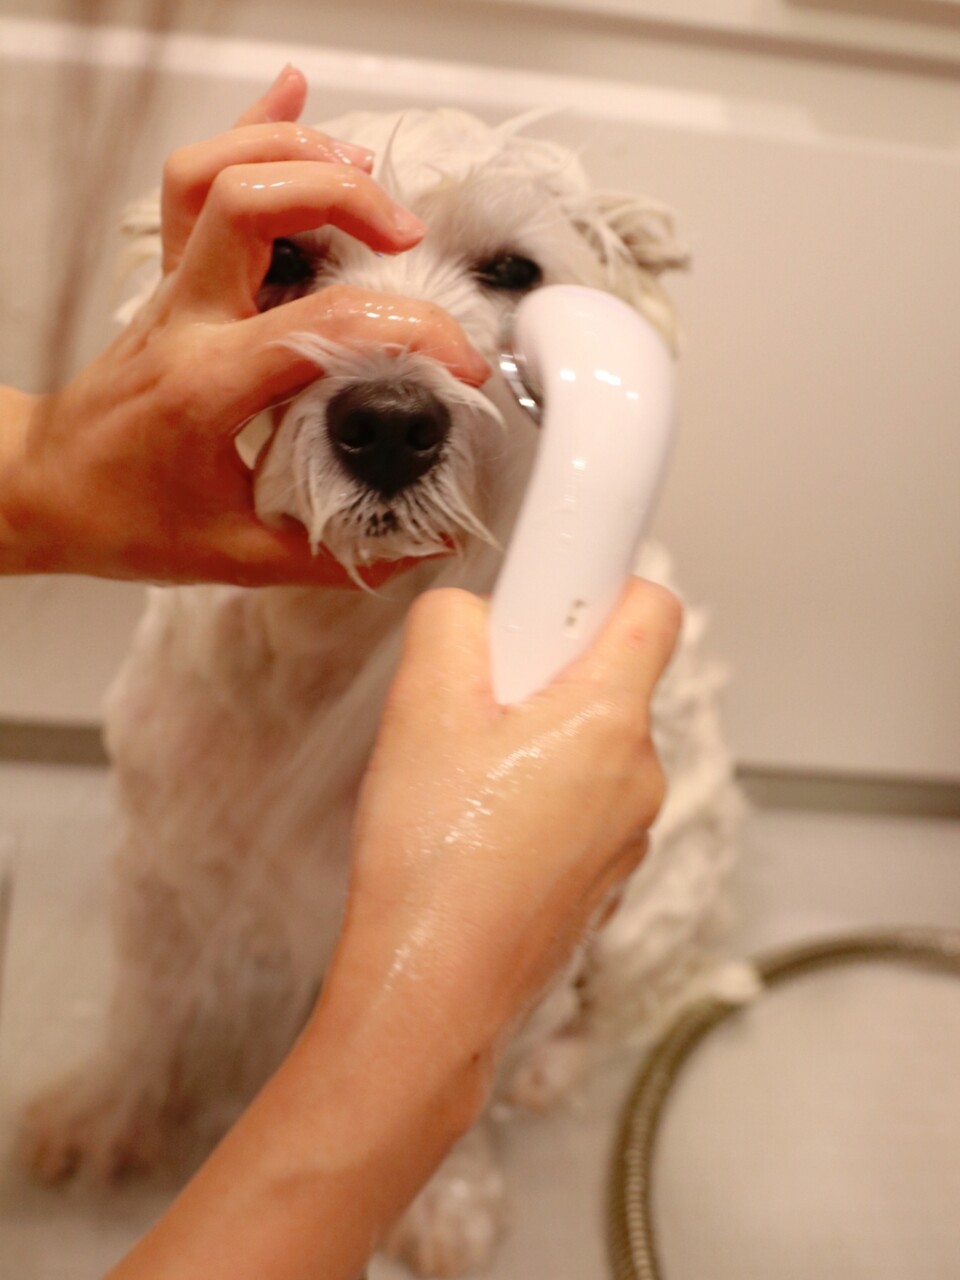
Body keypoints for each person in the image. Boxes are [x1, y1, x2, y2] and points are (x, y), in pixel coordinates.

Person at [1, 67, 681, 1280]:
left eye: (506, 270)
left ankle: (460, 1147)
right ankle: (141, 1072)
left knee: (593, 912)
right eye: (295, 266)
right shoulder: (176, 686)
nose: (395, 389)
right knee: (169, 860)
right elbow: (158, 885)